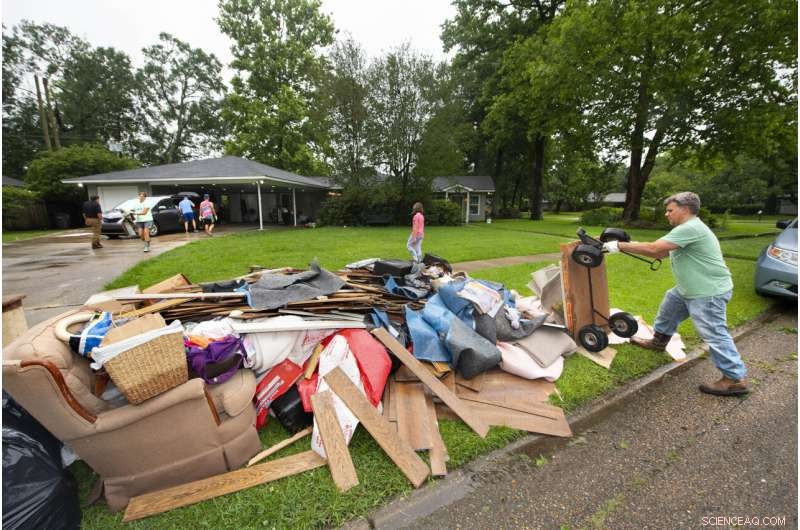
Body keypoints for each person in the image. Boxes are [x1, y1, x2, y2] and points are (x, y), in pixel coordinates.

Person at [603, 192, 748, 396]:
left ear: (685, 209)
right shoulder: (685, 229)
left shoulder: (691, 227)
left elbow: (654, 249)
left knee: (713, 332)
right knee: (669, 308)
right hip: (688, 288)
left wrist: (618, 245)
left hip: (707, 292)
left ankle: (734, 378)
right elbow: (661, 251)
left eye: (670, 210)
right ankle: (658, 341)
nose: (666, 214)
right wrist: (627, 244)